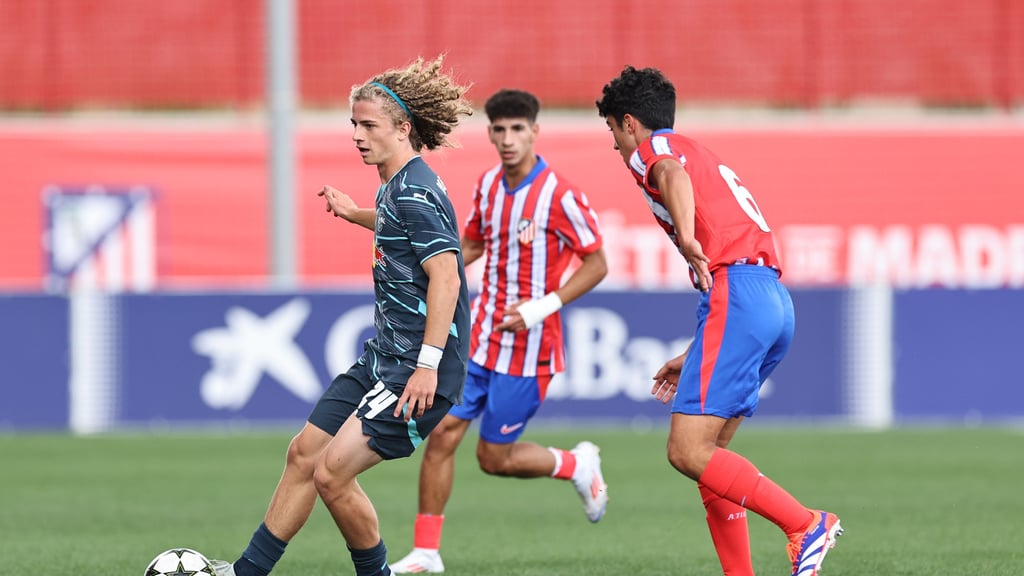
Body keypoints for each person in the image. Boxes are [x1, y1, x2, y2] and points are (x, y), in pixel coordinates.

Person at [210, 55, 474, 576]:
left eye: (368, 125)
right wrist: (357, 214)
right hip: (384, 358)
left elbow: (447, 277)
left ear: (403, 128)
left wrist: (426, 363)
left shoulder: (416, 192)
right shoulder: (401, 182)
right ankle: (247, 573)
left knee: (332, 473)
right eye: (353, 123)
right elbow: (399, 225)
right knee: (304, 453)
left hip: (418, 370)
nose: (356, 134)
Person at [595, 66, 843, 576]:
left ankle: (805, 524)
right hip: (770, 297)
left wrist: (686, 237)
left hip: (738, 293)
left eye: (614, 134)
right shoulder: (699, 149)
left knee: (686, 450)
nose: (617, 147)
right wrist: (695, 350)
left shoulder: (654, 151)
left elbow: (671, 177)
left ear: (629, 124)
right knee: (713, 461)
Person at [389, 89, 610, 574]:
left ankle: (576, 465)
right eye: (500, 130)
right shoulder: (489, 185)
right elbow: (469, 245)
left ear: (534, 131)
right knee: (442, 434)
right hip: (481, 339)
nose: (508, 139)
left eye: (517, 129)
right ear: (489, 133)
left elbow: (597, 262)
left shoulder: (560, 194)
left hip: (531, 349)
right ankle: (427, 551)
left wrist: (540, 308)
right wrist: (419, 274)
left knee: (495, 458)